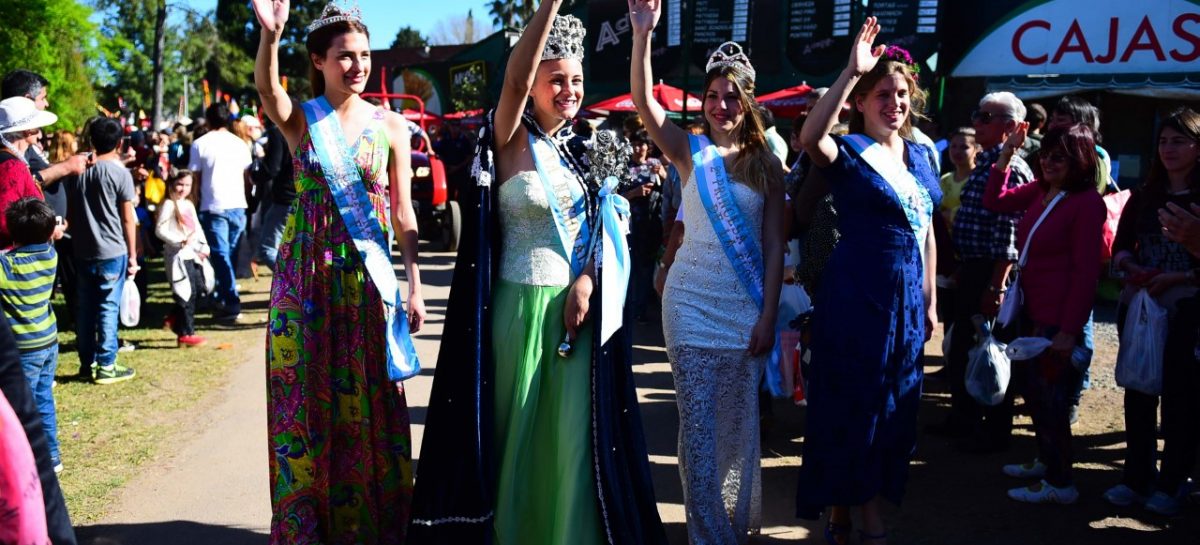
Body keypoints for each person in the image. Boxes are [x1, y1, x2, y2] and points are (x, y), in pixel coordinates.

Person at [410, 2, 666, 543]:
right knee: (518, 434)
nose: (569, 90)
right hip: (516, 309)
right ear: (532, 84)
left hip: (576, 316)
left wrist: (587, 281)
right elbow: (514, 79)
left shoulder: (593, 148)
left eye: (576, 79)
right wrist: (549, 5)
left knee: (572, 442)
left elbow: (607, 232)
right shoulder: (504, 137)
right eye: (556, 80)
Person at [253, 0, 426, 542]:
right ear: (319, 61)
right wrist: (270, 36)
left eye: (364, 55)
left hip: (365, 284)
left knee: (368, 400)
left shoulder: (394, 126)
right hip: (303, 281)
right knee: (303, 400)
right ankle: (308, 526)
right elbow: (266, 91)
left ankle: (370, 523)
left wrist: (415, 284)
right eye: (344, 56)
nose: (357, 65)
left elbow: (403, 213)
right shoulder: (302, 119)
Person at [630, 2, 785, 541]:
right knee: (698, 429)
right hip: (689, 306)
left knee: (738, 431)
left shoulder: (766, 164)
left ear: (747, 104)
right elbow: (645, 104)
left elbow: (771, 247)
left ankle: (734, 528)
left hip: (743, 311)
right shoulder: (688, 151)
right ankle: (706, 535)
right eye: (713, 96)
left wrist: (768, 315)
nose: (721, 105)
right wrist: (643, 35)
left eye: (731, 97)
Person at [794, 18, 940, 545]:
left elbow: (924, 230)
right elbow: (812, 137)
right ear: (861, 101)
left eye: (902, 94)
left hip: (905, 303)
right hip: (857, 297)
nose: (894, 103)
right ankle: (862, 518)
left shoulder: (922, 156)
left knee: (893, 408)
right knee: (850, 405)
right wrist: (850, 72)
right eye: (882, 94)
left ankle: (850, 508)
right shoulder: (850, 152)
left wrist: (931, 301)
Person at [983, 122, 1105, 504]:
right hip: (1031, 310)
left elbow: (1087, 275)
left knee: (1052, 398)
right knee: (1035, 394)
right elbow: (995, 201)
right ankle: (1046, 460)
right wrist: (1008, 154)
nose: (1050, 161)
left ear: (1081, 160)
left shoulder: (1086, 203)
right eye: (1047, 153)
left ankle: (1060, 482)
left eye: (1061, 156)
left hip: (1056, 319)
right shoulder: (1042, 190)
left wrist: (1069, 331)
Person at [936, 91, 1033, 452]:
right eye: (977, 114)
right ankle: (965, 421)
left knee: (990, 350)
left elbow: (1009, 234)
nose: (977, 121)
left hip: (991, 274)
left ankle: (992, 431)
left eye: (985, 117)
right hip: (974, 268)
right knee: (964, 347)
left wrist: (996, 284)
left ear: (1010, 127)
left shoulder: (1012, 168)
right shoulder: (990, 163)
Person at [1117, 108, 1200, 515]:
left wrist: (1180, 276)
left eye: (1180, 140)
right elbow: (1120, 246)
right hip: (1143, 309)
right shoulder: (1144, 196)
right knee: (1138, 393)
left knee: (1182, 401)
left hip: (1189, 312)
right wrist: (1129, 267)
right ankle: (1136, 477)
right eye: (1164, 141)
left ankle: (1171, 483)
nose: (1169, 149)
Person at [64, 117, 138, 385]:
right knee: (107, 307)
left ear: (91, 141)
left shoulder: (78, 172)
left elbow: (71, 212)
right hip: (112, 249)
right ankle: (107, 364)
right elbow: (128, 218)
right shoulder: (120, 174)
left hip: (83, 249)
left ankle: (87, 362)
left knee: (85, 308)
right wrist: (133, 254)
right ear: (120, 143)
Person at [0, 197, 62, 473]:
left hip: (24, 347)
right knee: (43, 399)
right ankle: (52, 455)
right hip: (48, 340)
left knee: (22, 406)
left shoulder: (8, 266)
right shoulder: (51, 255)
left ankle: (32, 461)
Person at [188, 102, 252, 322]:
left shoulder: (200, 144)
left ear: (208, 119)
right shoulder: (240, 144)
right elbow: (246, 178)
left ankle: (231, 301)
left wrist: (194, 201)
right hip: (237, 204)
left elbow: (195, 179)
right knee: (228, 254)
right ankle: (224, 297)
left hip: (213, 204)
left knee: (222, 255)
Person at [0, 71, 87, 191]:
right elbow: (20, 182)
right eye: (43, 98)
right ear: (27, 100)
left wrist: (72, 163)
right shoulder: (12, 151)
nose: (47, 103)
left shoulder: (23, 143)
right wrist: (65, 167)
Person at [155, 170, 210, 348]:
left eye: (187, 185)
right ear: (171, 184)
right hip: (177, 256)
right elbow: (160, 230)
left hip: (191, 255)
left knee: (198, 289)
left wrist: (203, 246)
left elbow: (197, 228)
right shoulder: (169, 205)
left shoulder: (188, 204)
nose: (183, 188)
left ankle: (174, 318)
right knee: (185, 293)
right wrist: (178, 241)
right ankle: (186, 333)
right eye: (180, 184)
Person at [0, 97, 56, 248]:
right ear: (28, 130)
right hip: (12, 261)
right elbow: (5, 223)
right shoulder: (13, 167)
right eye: (37, 128)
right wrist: (46, 229)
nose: (39, 134)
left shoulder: (11, 162)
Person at [622, 129, 665, 322]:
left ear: (649, 146)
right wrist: (634, 193)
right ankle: (627, 306)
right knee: (629, 265)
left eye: (642, 144)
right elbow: (614, 197)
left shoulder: (655, 164)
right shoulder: (623, 168)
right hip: (628, 224)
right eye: (635, 144)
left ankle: (640, 308)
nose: (639, 148)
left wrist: (662, 174)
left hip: (650, 224)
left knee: (646, 267)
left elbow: (671, 188)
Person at [251, 119, 295, 270]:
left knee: (267, 249)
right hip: (306, 198)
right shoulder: (307, 128)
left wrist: (254, 176)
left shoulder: (278, 132)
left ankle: (293, 281)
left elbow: (273, 167)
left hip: (286, 199)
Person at [1049, 95, 1114, 193]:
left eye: (1061, 120)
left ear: (1080, 125)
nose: (1052, 126)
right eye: (1051, 120)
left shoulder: (1096, 157)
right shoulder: (1047, 152)